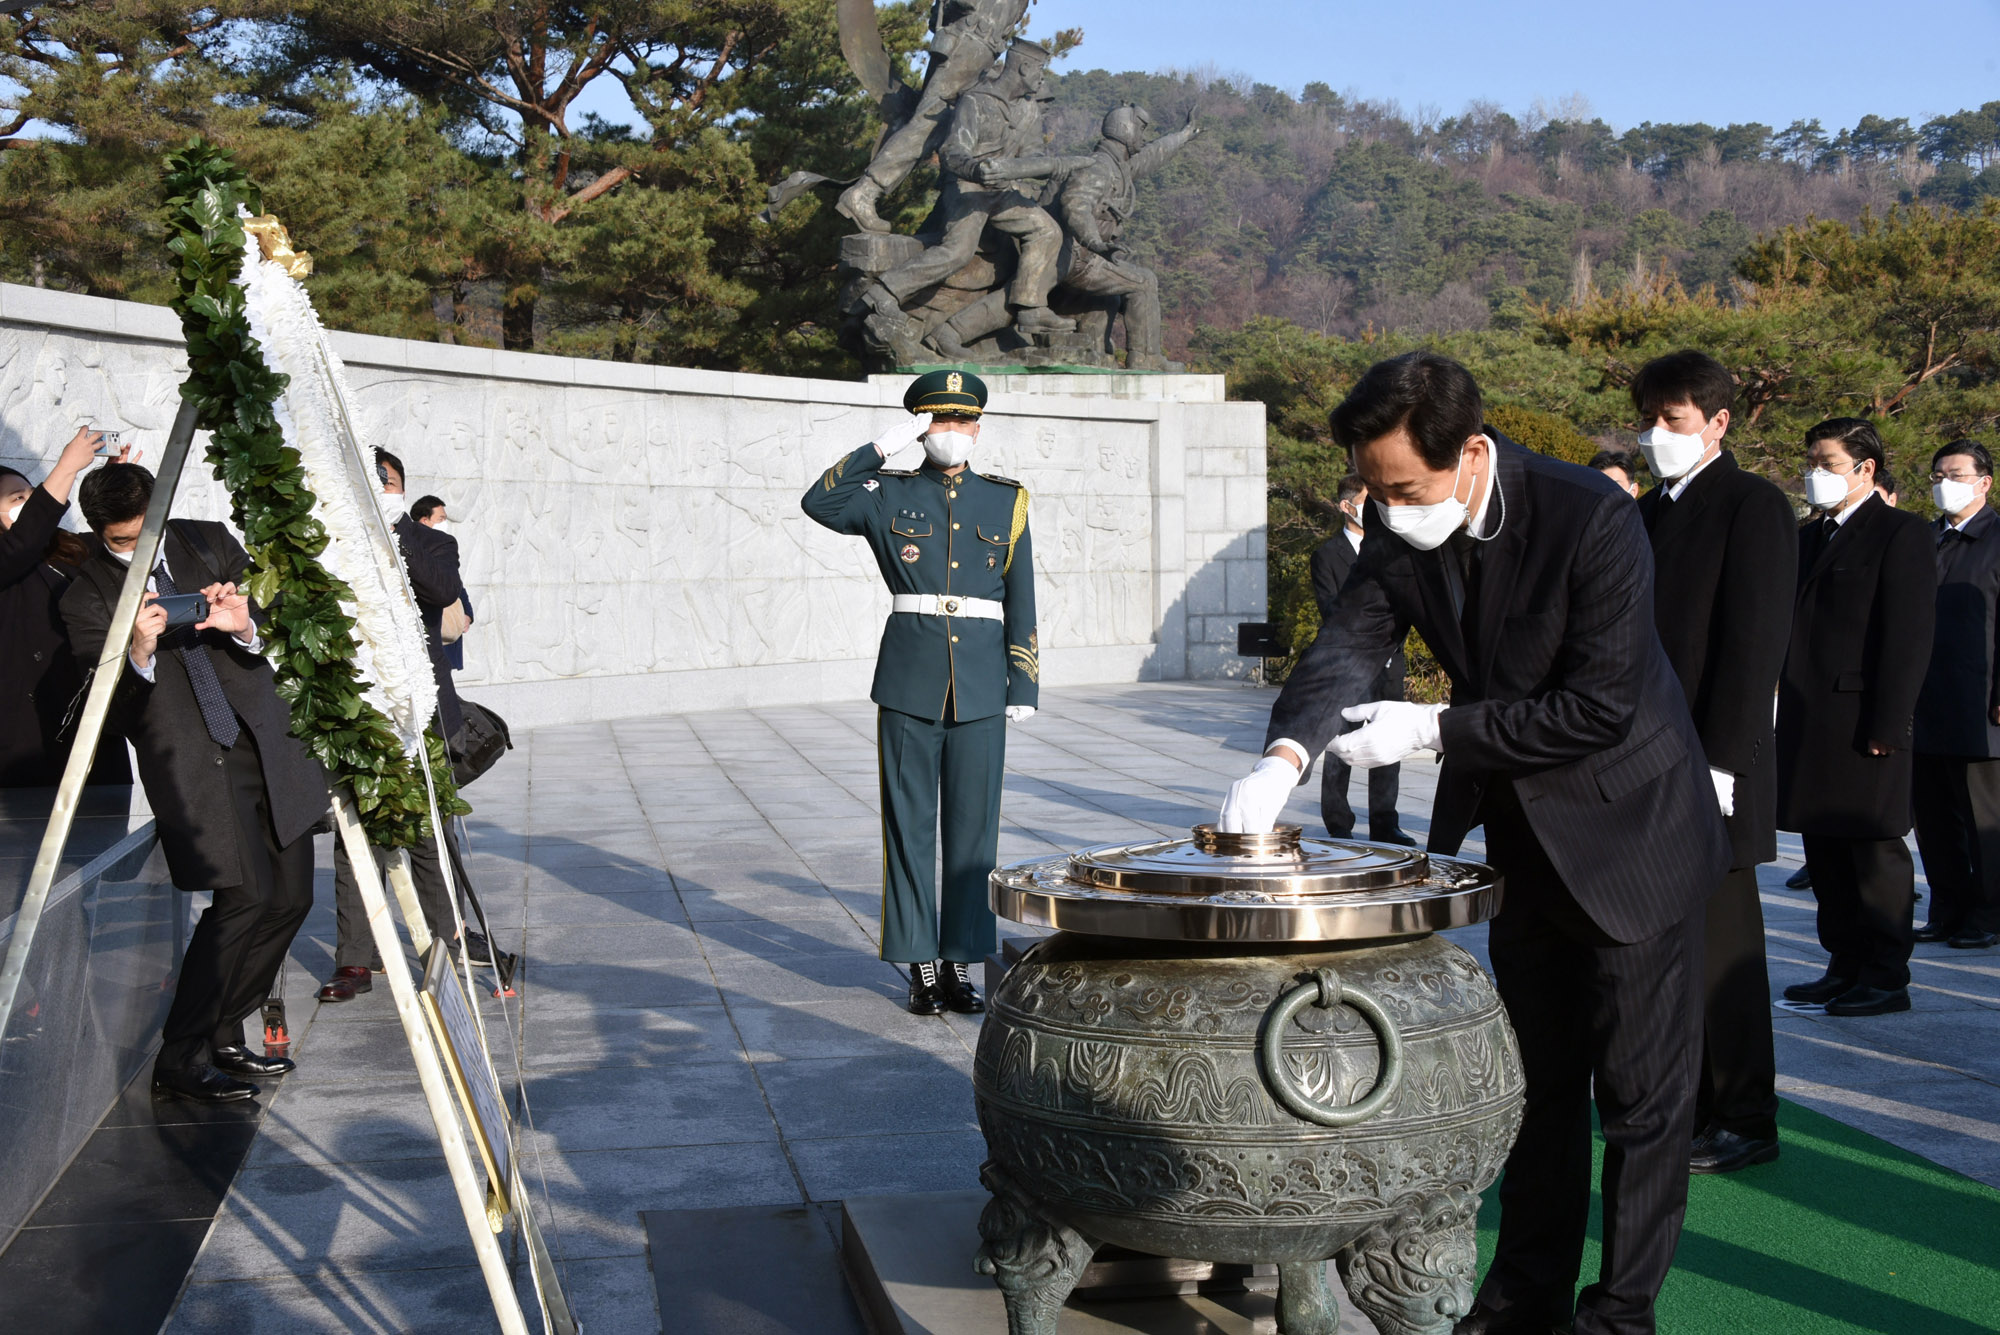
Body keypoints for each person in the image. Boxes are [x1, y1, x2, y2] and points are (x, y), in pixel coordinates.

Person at [1220, 352, 1727, 1335]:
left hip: (1632, 836)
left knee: (1637, 1102)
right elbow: (1343, 644)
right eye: (1372, 489)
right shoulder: (1400, 525)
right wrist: (1283, 759)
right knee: (1533, 1091)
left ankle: (1617, 1315)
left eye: (1401, 487)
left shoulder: (1590, 517)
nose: (1385, 508)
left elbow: (1597, 706)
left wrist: (1431, 730)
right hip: (1522, 843)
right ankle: (1521, 1299)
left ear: (1470, 452)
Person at [62, 463, 329, 1102]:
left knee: (291, 898)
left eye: (143, 532)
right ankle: (181, 1056)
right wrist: (138, 653)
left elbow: (277, 618)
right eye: (122, 540)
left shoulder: (206, 540)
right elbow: (105, 709)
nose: (135, 547)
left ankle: (221, 1034)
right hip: (191, 761)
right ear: (101, 532)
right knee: (240, 900)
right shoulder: (85, 594)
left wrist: (243, 624)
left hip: (266, 744)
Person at [801, 370, 1038, 1016]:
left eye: (962, 423)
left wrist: (1024, 680)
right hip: (909, 678)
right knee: (908, 827)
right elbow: (818, 503)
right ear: (920, 428)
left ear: (978, 430)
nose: (951, 434)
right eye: (938, 422)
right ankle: (921, 963)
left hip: (984, 683)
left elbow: (1022, 599)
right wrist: (880, 449)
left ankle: (960, 962)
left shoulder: (1006, 501)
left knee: (973, 834)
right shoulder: (885, 493)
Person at [1630, 351, 1797, 1175]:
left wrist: (1724, 762)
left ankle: (1745, 1113)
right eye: (1651, 419)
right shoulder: (1653, 512)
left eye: (1675, 420)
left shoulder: (1753, 506)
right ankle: (1686, 1101)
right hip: (1650, 763)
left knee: (1724, 948)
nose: (1657, 434)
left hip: (1713, 767)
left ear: (1719, 422)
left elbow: (1754, 645)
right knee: (1667, 950)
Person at [1777, 418, 1935, 1017]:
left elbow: (1908, 637)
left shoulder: (1901, 533)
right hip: (1809, 718)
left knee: (1874, 854)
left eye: (1827, 463)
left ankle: (1886, 975)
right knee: (1826, 855)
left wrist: (1889, 726)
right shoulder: (1809, 536)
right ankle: (1842, 963)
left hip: (1865, 721)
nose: (1814, 474)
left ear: (1865, 467)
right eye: (1811, 462)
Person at [319, 450, 470, 1003]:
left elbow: (438, 591)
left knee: (429, 831)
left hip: (420, 710)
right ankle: (355, 959)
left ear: (401, 488)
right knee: (353, 838)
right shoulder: (332, 538)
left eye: (385, 481)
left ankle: (445, 946)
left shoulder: (431, 540)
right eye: (368, 478)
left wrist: (392, 525)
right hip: (357, 712)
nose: (377, 486)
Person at [0, 428, 131, 787]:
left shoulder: (74, 549)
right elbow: (22, 544)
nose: (28, 503)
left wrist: (117, 487)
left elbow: (125, 543)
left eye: (29, 494)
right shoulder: (10, 559)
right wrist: (67, 468)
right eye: (16, 498)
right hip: (25, 740)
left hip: (91, 728)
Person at [1911, 439, 2000, 951]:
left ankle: (1988, 912)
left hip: (1978, 704)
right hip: (1924, 701)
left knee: (1983, 819)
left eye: (1957, 474)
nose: (1945, 482)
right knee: (1934, 819)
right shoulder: (1924, 539)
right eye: (1938, 473)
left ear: (1984, 482)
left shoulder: (1996, 538)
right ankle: (1948, 907)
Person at [1307, 472, 1412, 844]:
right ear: (1347, 506)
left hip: (1388, 665)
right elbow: (1332, 610)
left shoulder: (1390, 550)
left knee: (1389, 744)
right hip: (1346, 669)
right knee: (1341, 746)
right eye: (1369, 501)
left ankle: (1385, 821)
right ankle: (1339, 822)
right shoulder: (1327, 556)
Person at [409, 493, 473, 671]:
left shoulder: (442, 546)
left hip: (447, 625)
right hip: (430, 625)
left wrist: (467, 614)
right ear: (424, 520)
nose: (445, 523)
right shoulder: (412, 546)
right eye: (441, 518)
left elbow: (456, 584)